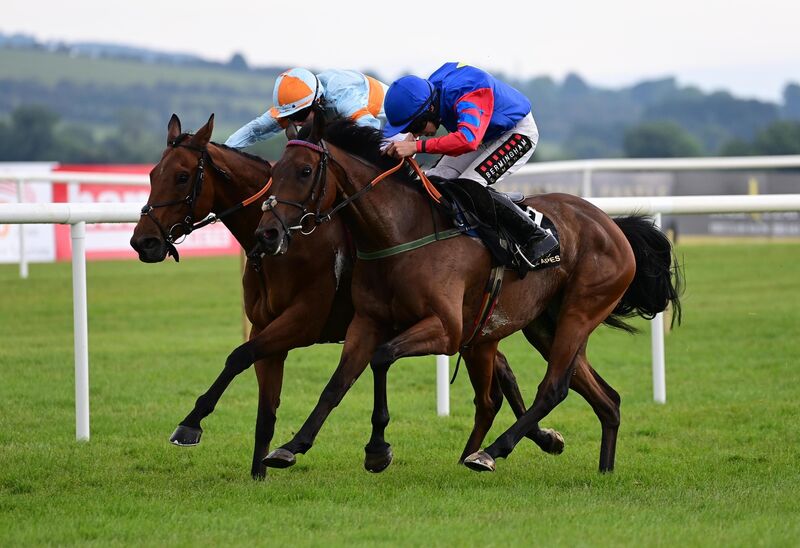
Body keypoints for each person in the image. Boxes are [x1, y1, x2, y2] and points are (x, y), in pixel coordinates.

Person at [382, 62, 557, 265]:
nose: (417, 132)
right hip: (482, 133)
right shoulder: (429, 95)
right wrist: (411, 137)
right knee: (432, 180)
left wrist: (417, 147)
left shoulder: (467, 92)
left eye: (415, 126)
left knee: (470, 185)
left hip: (515, 132)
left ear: (429, 109)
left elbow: (468, 140)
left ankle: (537, 236)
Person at [225, 68, 390, 148]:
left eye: (301, 115)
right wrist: (217, 153)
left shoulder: (343, 97)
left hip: (393, 122)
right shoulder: (298, 101)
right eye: (291, 117)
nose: (296, 122)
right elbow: (255, 130)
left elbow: (370, 131)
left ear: (317, 101)